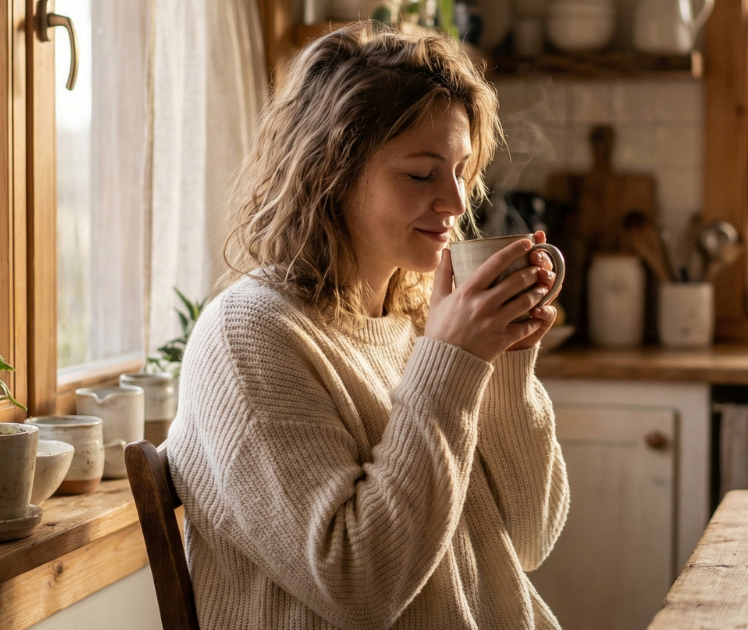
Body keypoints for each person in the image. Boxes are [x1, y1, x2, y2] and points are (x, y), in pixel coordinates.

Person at [165, 21, 569, 630]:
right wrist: (454, 360)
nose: (457, 203)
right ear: (331, 171)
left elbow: (530, 537)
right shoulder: (250, 336)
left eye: (461, 170)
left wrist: (504, 358)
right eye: (420, 173)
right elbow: (359, 586)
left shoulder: (417, 321)